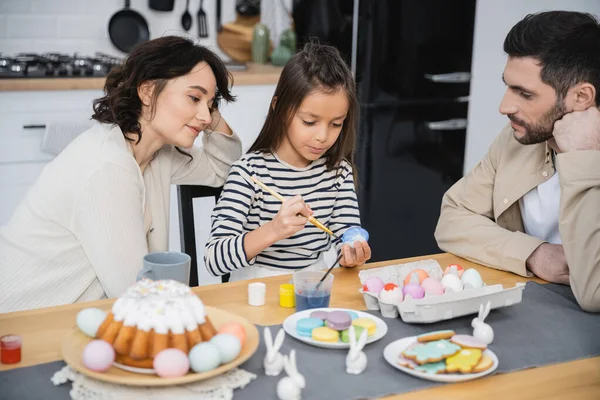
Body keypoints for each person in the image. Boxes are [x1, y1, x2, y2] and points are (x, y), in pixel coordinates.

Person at [0, 36, 242, 312]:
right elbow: (136, 295)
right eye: (194, 97)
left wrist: (208, 109)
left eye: (210, 105)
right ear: (148, 92)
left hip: (70, 319)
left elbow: (222, 169)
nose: (205, 117)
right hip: (20, 328)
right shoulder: (108, 167)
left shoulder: (155, 153)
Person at [435, 11, 600, 312]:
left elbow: (594, 294)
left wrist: (583, 159)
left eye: (525, 94)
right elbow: (451, 220)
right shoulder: (516, 139)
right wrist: (534, 254)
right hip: (526, 309)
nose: (504, 106)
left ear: (582, 97)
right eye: (508, 87)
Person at [204, 42, 371, 281]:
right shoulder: (248, 173)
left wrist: (351, 252)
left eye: (336, 124)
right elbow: (214, 259)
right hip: (257, 292)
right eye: (309, 122)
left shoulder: (338, 173)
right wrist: (273, 230)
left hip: (314, 288)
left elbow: (343, 238)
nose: (323, 136)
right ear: (279, 109)